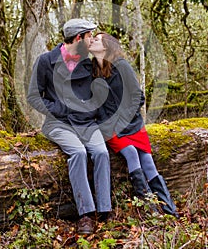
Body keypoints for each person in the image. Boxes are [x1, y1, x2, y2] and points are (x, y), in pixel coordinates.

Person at [27, 20, 112, 235]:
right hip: (58, 123)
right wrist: (58, 108)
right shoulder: (46, 61)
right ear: (78, 38)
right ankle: (85, 214)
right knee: (78, 152)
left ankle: (104, 209)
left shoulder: (88, 62)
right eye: (89, 36)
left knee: (101, 152)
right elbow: (33, 97)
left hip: (86, 122)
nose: (92, 40)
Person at [89, 32, 179, 218]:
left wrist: (122, 120)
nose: (92, 41)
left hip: (132, 124)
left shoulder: (122, 66)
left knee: (148, 161)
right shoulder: (93, 71)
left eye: (96, 39)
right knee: (130, 152)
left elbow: (139, 97)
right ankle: (151, 211)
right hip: (111, 128)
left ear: (106, 45)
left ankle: (170, 211)